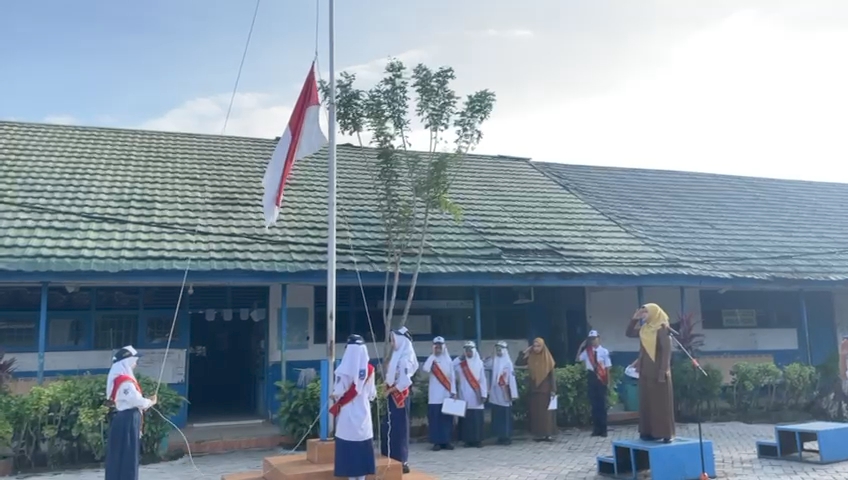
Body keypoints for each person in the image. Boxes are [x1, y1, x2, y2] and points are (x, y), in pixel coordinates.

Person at [104, 346, 157, 480]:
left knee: (120, 454)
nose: (135, 363)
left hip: (125, 418)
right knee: (128, 454)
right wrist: (150, 402)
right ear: (127, 361)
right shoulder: (124, 382)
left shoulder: (121, 379)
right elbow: (135, 400)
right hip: (128, 419)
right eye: (134, 360)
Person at [626, 303, 676, 443]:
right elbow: (629, 333)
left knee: (661, 404)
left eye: (645, 313)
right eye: (642, 313)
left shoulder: (662, 329)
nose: (643, 316)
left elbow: (666, 353)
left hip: (658, 372)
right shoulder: (645, 329)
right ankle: (647, 432)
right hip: (645, 371)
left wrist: (663, 372)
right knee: (646, 403)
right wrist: (634, 319)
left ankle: (665, 434)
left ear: (654, 313)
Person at [330, 335, 377, 480]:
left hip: (347, 415)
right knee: (362, 450)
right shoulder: (370, 369)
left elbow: (338, 392)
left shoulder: (343, 370)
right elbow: (372, 394)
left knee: (349, 452)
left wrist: (334, 396)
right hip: (363, 413)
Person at [381, 327, 418, 474]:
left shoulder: (404, 359)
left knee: (400, 428)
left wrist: (389, 390)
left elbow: (404, 382)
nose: (391, 343)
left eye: (393, 339)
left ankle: (401, 459)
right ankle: (390, 455)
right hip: (392, 395)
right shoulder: (398, 354)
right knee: (391, 426)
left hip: (399, 397)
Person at [515, 337, 557, 441]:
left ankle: (548, 434)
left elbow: (552, 376)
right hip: (534, 389)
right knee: (536, 413)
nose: (536, 348)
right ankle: (538, 434)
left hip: (545, 390)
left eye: (538, 346)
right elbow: (518, 363)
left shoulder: (547, 358)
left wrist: (553, 390)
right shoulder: (531, 357)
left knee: (546, 414)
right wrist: (526, 351)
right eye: (534, 346)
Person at [420, 336, 456, 451]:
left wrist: (453, 391)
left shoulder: (448, 360)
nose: (438, 348)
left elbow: (452, 378)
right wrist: (432, 356)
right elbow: (425, 369)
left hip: (446, 394)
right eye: (436, 346)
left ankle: (446, 441)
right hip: (434, 396)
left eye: (440, 346)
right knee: (435, 420)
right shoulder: (432, 359)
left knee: (447, 420)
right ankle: (436, 442)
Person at [577, 330, 612, 437]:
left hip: (601, 378)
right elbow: (578, 359)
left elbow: (607, 368)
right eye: (591, 339)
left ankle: (603, 429)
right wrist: (581, 347)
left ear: (599, 338)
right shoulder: (587, 352)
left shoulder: (604, 351)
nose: (593, 341)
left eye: (594, 338)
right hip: (591, 377)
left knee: (602, 405)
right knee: (594, 405)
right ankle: (596, 429)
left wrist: (608, 382)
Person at [453, 341, 487, 448]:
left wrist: (484, 394)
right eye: (466, 350)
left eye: (470, 350)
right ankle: (467, 440)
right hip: (464, 394)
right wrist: (460, 358)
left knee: (477, 419)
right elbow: (451, 367)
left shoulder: (479, 363)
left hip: (477, 394)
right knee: (467, 419)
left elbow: (483, 380)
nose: (468, 352)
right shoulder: (461, 364)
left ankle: (478, 440)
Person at [488, 341, 519, 445]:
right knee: (497, 415)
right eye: (497, 349)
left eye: (500, 349)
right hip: (495, 393)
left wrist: (513, 394)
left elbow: (512, 379)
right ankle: (500, 437)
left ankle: (506, 437)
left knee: (505, 416)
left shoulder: (508, 363)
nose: (498, 351)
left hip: (504, 392)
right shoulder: (494, 361)